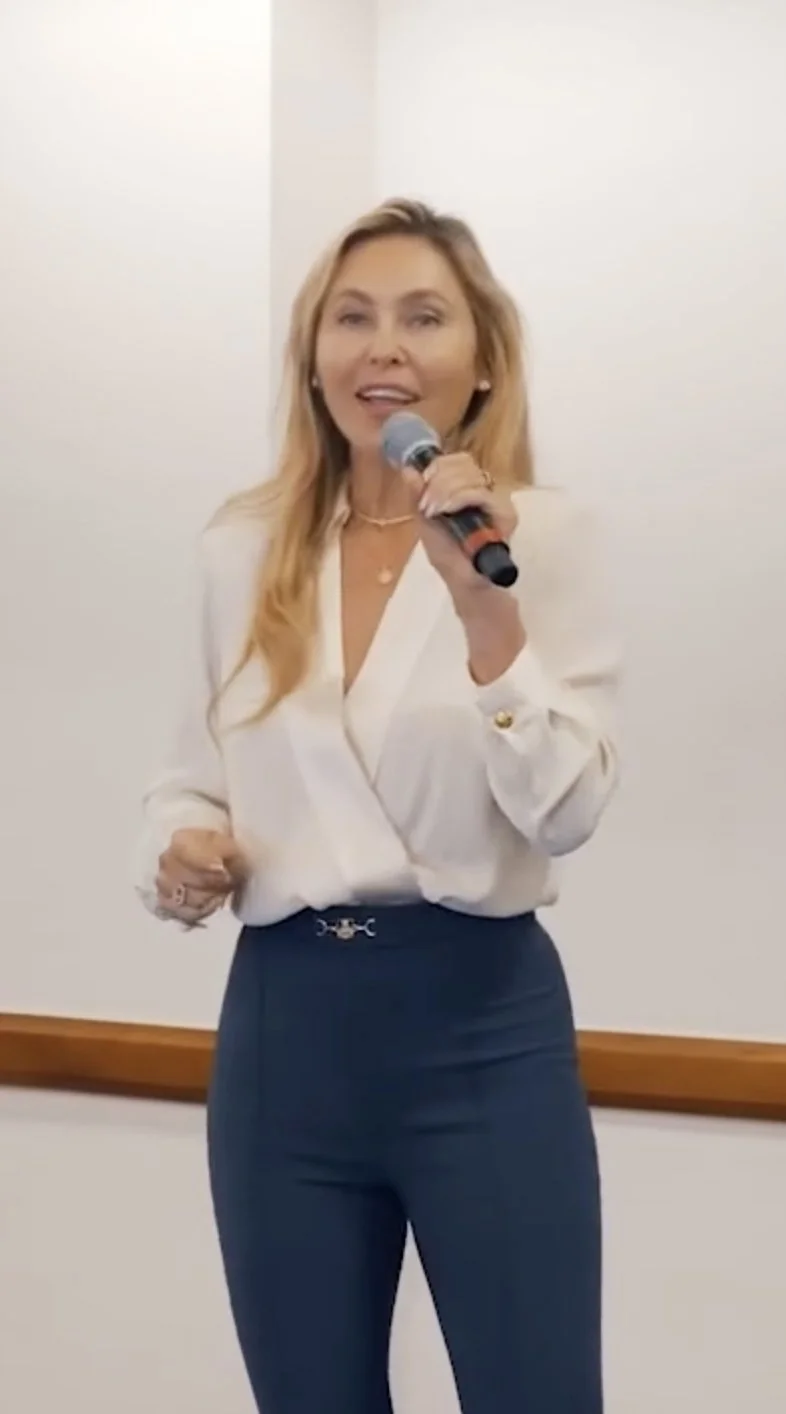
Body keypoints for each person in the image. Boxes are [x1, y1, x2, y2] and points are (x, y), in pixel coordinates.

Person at [134, 197, 620, 1414]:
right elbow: (189, 775)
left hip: (480, 1030)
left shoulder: (541, 538)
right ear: (313, 356)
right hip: (286, 1035)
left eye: (423, 317)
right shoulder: (242, 547)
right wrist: (181, 850)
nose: (383, 348)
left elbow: (566, 811)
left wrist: (486, 613)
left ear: (483, 357)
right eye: (351, 318)